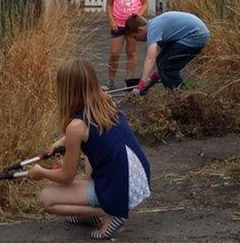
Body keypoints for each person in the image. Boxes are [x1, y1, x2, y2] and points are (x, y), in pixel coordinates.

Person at [28, 59, 151, 240]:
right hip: (139, 178)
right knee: (92, 158)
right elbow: (92, 134)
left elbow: (66, 177)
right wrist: (61, 142)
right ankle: (96, 211)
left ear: (66, 90)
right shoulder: (106, 101)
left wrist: (41, 172)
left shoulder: (75, 128)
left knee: (46, 198)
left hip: (119, 188)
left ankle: (111, 212)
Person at [124, 11, 210, 94]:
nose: (137, 40)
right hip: (192, 35)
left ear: (140, 30)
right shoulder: (155, 25)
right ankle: (177, 94)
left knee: (167, 67)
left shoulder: (153, 29)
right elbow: (163, 59)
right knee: (162, 61)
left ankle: (180, 96)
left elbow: (150, 58)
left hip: (195, 36)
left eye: (135, 37)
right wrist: (151, 79)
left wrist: (141, 84)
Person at [105, 0, 149, 90]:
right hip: (118, 23)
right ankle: (111, 80)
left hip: (133, 24)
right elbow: (109, 5)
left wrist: (139, 15)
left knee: (131, 52)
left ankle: (129, 80)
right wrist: (111, 20)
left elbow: (145, 3)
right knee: (114, 53)